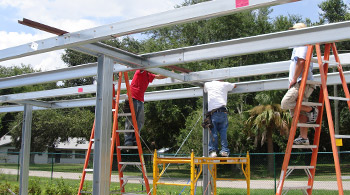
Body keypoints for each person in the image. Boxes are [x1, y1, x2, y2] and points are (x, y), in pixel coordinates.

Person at [281, 23, 318, 145]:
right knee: (299, 111)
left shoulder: (303, 43)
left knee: (285, 103)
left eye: (294, 31)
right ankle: (304, 137)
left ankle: (311, 109)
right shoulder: (299, 44)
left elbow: (301, 61)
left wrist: (294, 79)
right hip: (300, 82)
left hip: (300, 82)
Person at [124, 70, 166, 146]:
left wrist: (169, 74)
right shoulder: (140, 71)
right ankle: (128, 139)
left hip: (140, 100)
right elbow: (142, 65)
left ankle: (135, 138)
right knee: (130, 118)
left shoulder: (148, 75)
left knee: (140, 120)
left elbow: (159, 76)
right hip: (131, 97)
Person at [204, 80, 236, 157]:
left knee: (213, 133)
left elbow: (204, 89)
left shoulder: (208, 84)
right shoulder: (225, 84)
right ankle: (224, 151)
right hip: (223, 112)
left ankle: (213, 151)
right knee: (223, 132)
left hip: (213, 113)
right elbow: (234, 85)